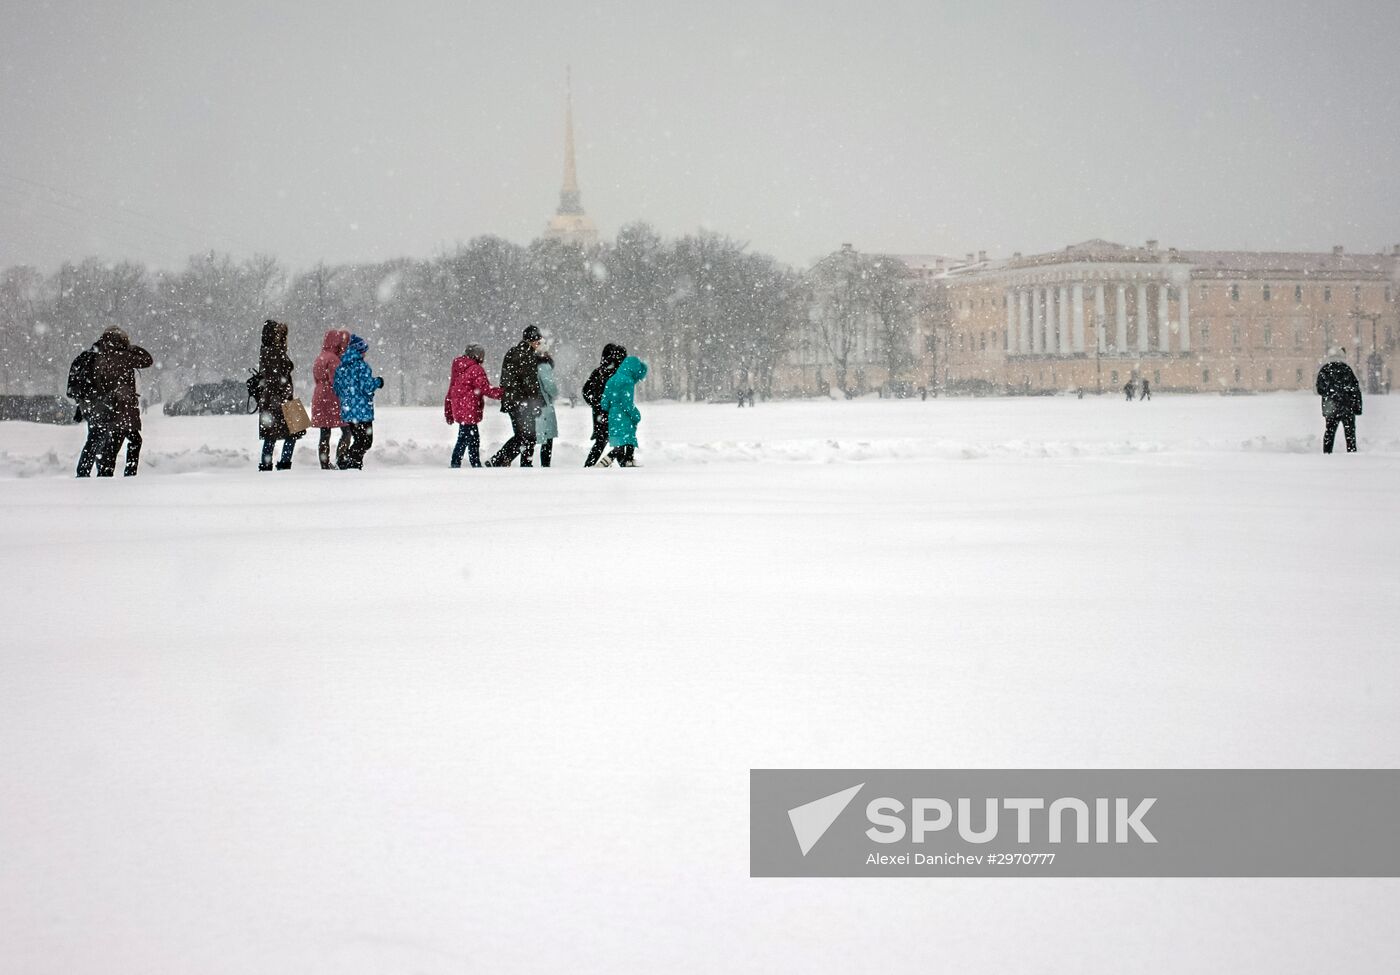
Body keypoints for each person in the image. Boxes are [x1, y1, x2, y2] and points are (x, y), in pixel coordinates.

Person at [69, 327, 152, 477]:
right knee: (119, 444)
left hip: (96, 406)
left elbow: (92, 383)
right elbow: (147, 359)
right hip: (118, 409)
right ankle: (120, 475)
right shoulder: (123, 356)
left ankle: (85, 473)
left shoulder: (96, 354)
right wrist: (130, 348)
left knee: (96, 440)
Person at [485, 325, 544, 467]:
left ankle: (502, 460)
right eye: (538, 340)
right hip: (522, 402)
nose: (539, 343)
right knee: (528, 437)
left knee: (522, 436)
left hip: (512, 401)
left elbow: (506, 379)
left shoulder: (513, 352)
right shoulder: (527, 355)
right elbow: (530, 383)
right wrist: (536, 402)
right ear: (532, 340)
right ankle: (507, 462)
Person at [254, 320, 303, 471]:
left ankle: (267, 465)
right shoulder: (274, 353)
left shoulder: (267, 351)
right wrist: (286, 392)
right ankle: (283, 464)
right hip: (279, 400)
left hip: (272, 400)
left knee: (272, 435)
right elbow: (276, 380)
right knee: (292, 432)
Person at [443, 342, 502, 468]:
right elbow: (486, 389)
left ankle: (471, 463)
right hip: (469, 409)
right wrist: (504, 393)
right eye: (481, 355)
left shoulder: (458, 367)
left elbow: (451, 389)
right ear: (477, 356)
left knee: (469, 437)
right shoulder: (476, 369)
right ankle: (461, 464)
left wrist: (448, 411)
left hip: (460, 409)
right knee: (468, 439)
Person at [333, 334, 384, 469]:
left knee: (358, 439)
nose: (365, 354)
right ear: (360, 351)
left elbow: (337, 389)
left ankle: (351, 463)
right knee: (366, 441)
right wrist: (378, 382)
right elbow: (367, 387)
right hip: (362, 412)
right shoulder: (362, 367)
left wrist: (347, 400)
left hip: (349, 411)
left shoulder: (341, 367)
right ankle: (349, 462)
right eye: (364, 351)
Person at [596, 354, 649, 468]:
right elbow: (627, 403)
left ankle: (627, 460)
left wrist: (610, 409)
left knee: (622, 439)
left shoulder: (612, 379)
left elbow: (604, 402)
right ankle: (608, 461)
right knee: (628, 438)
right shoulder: (627, 381)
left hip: (613, 414)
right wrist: (636, 415)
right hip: (623, 414)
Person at [311, 329, 352, 469]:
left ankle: (324, 462)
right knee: (346, 429)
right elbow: (337, 380)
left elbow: (316, 379)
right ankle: (341, 457)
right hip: (332, 396)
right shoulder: (334, 359)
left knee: (325, 431)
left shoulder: (320, 357)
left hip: (319, 394)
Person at [582, 344, 626, 467]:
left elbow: (586, 391)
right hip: (612, 414)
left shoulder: (598, 372)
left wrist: (595, 403)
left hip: (600, 414)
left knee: (603, 441)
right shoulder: (617, 374)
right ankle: (623, 465)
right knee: (616, 440)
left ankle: (589, 465)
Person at [1315, 347, 1363, 454]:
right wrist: (1357, 407)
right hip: (1347, 407)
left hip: (1331, 407)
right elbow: (1355, 390)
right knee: (1350, 433)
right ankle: (1351, 453)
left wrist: (1330, 394)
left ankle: (1327, 453)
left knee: (1329, 432)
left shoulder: (1325, 370)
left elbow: (1319, 389)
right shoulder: (1347, 369)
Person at [534, 348, 560, 468]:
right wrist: (555, 394)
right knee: (547, 438)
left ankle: (526, 463)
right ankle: (545, 465)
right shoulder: (544, 366)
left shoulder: (532, 364)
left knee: (531, 437)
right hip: (544, 404)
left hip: (533, 404)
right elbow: (549, 385)